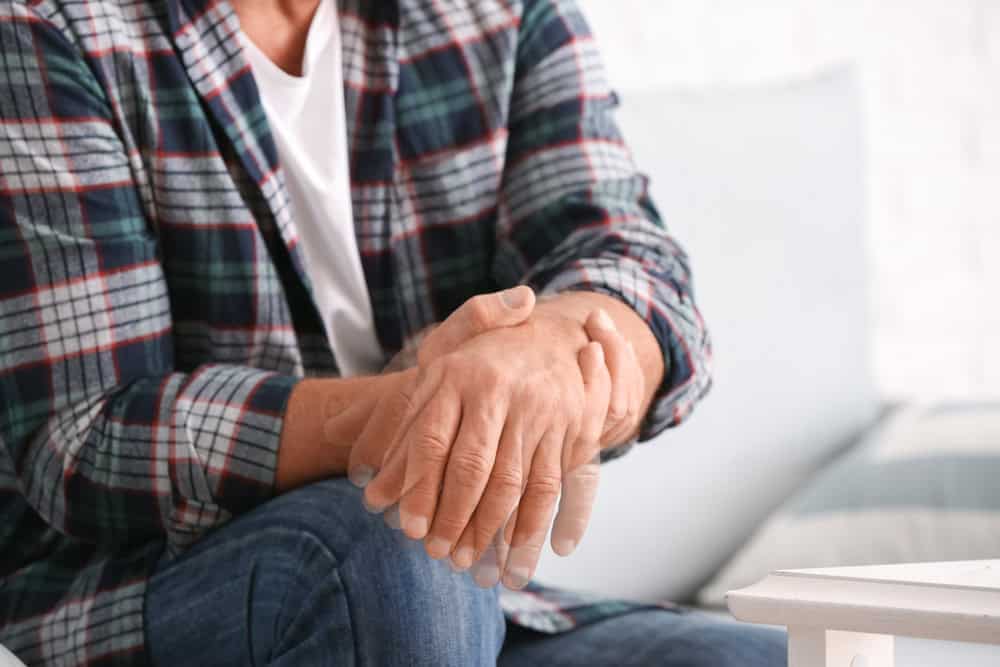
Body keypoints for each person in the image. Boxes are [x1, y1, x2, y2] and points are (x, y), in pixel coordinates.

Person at [0, 0, 786, 664]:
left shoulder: (499, 13)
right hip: (139, 595)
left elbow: (634, 262)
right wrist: (430, 411)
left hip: (456, 604)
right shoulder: (47, 26)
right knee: (394, 560)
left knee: (776, 656)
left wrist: (566, 351)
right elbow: (86, 432)